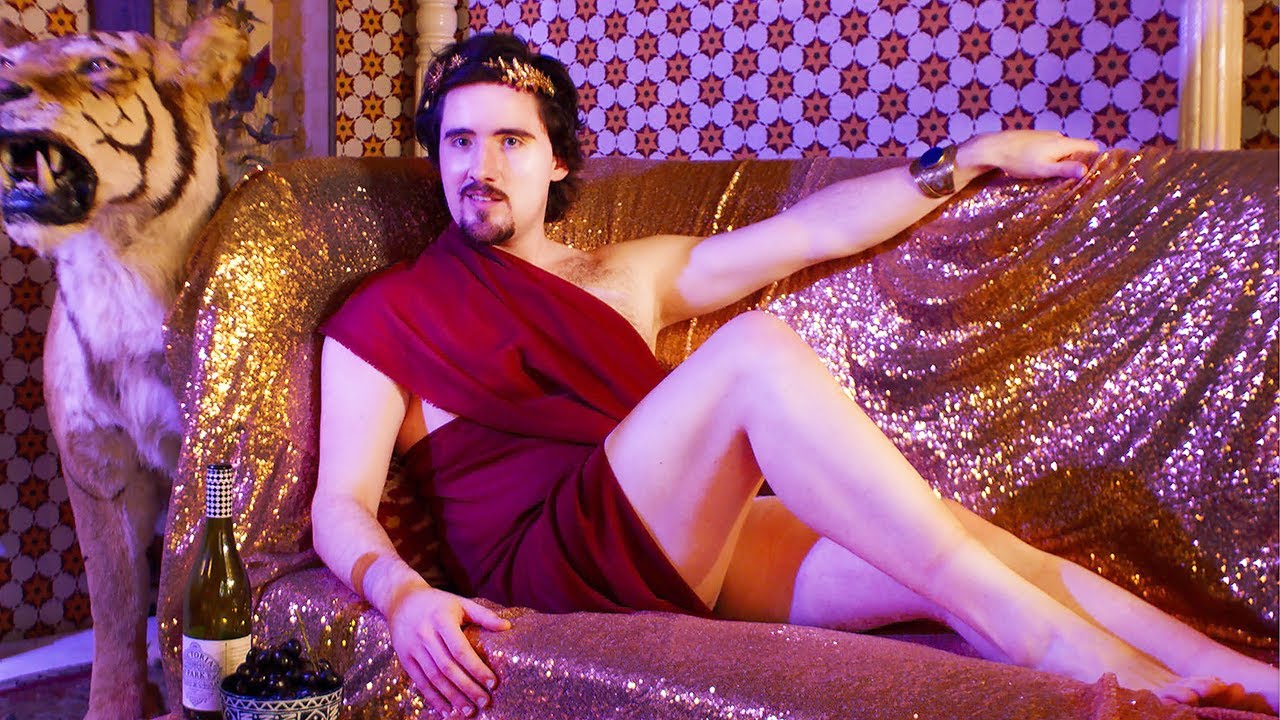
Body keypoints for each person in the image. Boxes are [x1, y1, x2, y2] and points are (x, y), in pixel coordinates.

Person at [312, 33, 1279, 719]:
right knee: (753, 352)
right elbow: (339, 504)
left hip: (672, 540)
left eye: (510, 140)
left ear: (557, 160)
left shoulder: (624, 274)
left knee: (955, 538)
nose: (479, 165)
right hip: (550, 563)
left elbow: (810, 232)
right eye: (459, 141)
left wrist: (972, 157)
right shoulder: (386, 312)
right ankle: (1049, 644)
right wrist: (401, 594)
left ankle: (1235, 675)